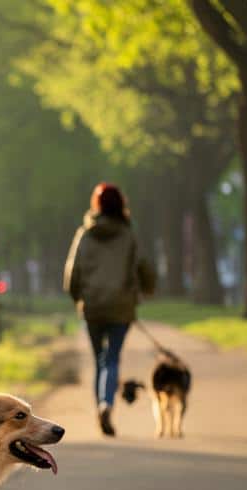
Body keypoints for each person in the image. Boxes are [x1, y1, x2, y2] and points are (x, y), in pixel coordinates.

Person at [63, 182, 153, 437]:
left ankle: (101, 407)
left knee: (99, 360)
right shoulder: (128, 234)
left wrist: (77, 297)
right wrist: (147, 289)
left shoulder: (85, 233)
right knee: (111, 358)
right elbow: (143, 265)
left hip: (92, 307)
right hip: (121, 307)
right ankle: (107, 404)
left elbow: (72, 271)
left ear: (97, 205)